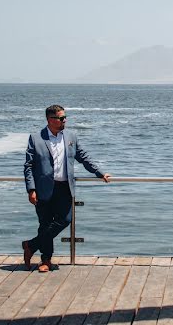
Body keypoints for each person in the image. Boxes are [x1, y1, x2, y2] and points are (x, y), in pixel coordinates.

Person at [22, 104, 111, 272]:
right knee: (45, 224)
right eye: (61, 118)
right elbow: (28, 166)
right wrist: (31, 189)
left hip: (64, 187)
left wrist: (99, 173)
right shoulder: (36, 138)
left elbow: (83, 157)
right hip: (43, 189)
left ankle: (31, 245)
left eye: (64, 117)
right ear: (50, 120)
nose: (65, 120)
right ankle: (46, 261)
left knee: (66, 220)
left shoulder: (71, 136)